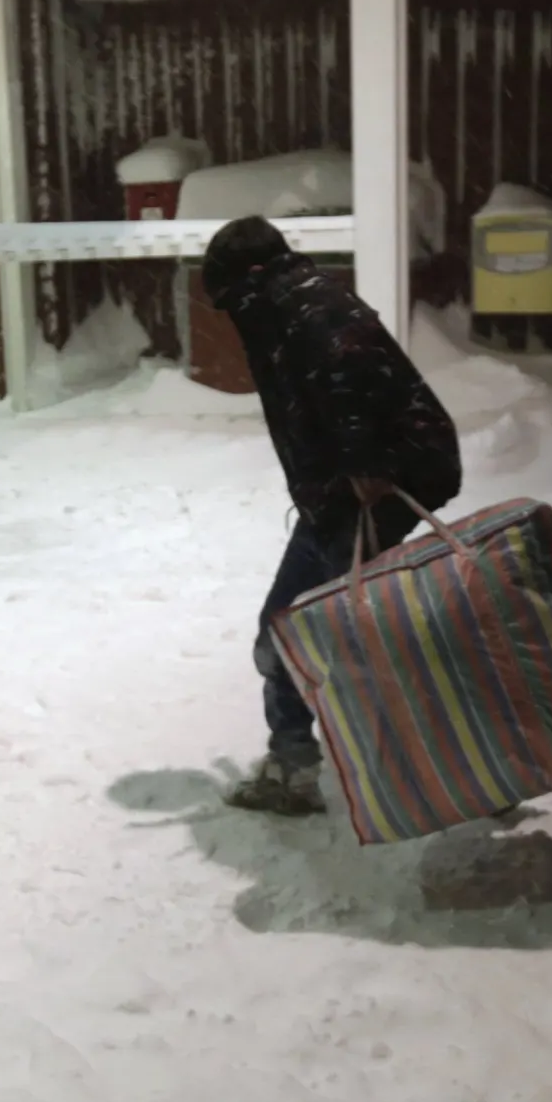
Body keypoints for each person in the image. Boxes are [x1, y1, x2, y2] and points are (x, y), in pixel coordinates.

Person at [200, 216, 463, 815]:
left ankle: (301, 771)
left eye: (229, 303)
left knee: (298, 633)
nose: (231, 318)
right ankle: (465, 751)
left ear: (246, 280)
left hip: (365, 494)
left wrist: (364, 464)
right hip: (349, 494)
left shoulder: (302, 310)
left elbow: (350, 371)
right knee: (332, 635)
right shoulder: (298, 300)